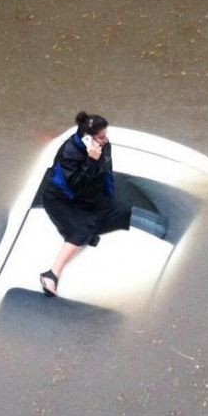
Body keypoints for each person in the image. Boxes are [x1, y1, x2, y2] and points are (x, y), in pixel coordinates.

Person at [39, 111, 132, 296]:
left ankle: (84, 233)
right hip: (61, 199)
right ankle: (52, 274)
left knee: (119, 213)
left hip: (89, 195)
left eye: (106, 135)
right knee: (82, 229)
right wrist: (91, 161)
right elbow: (78, 186)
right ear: (87, 139)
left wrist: (109, 197)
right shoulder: (70, 153)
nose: (105, 140)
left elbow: (106, 172)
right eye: (101, 137)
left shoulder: (104, 146)